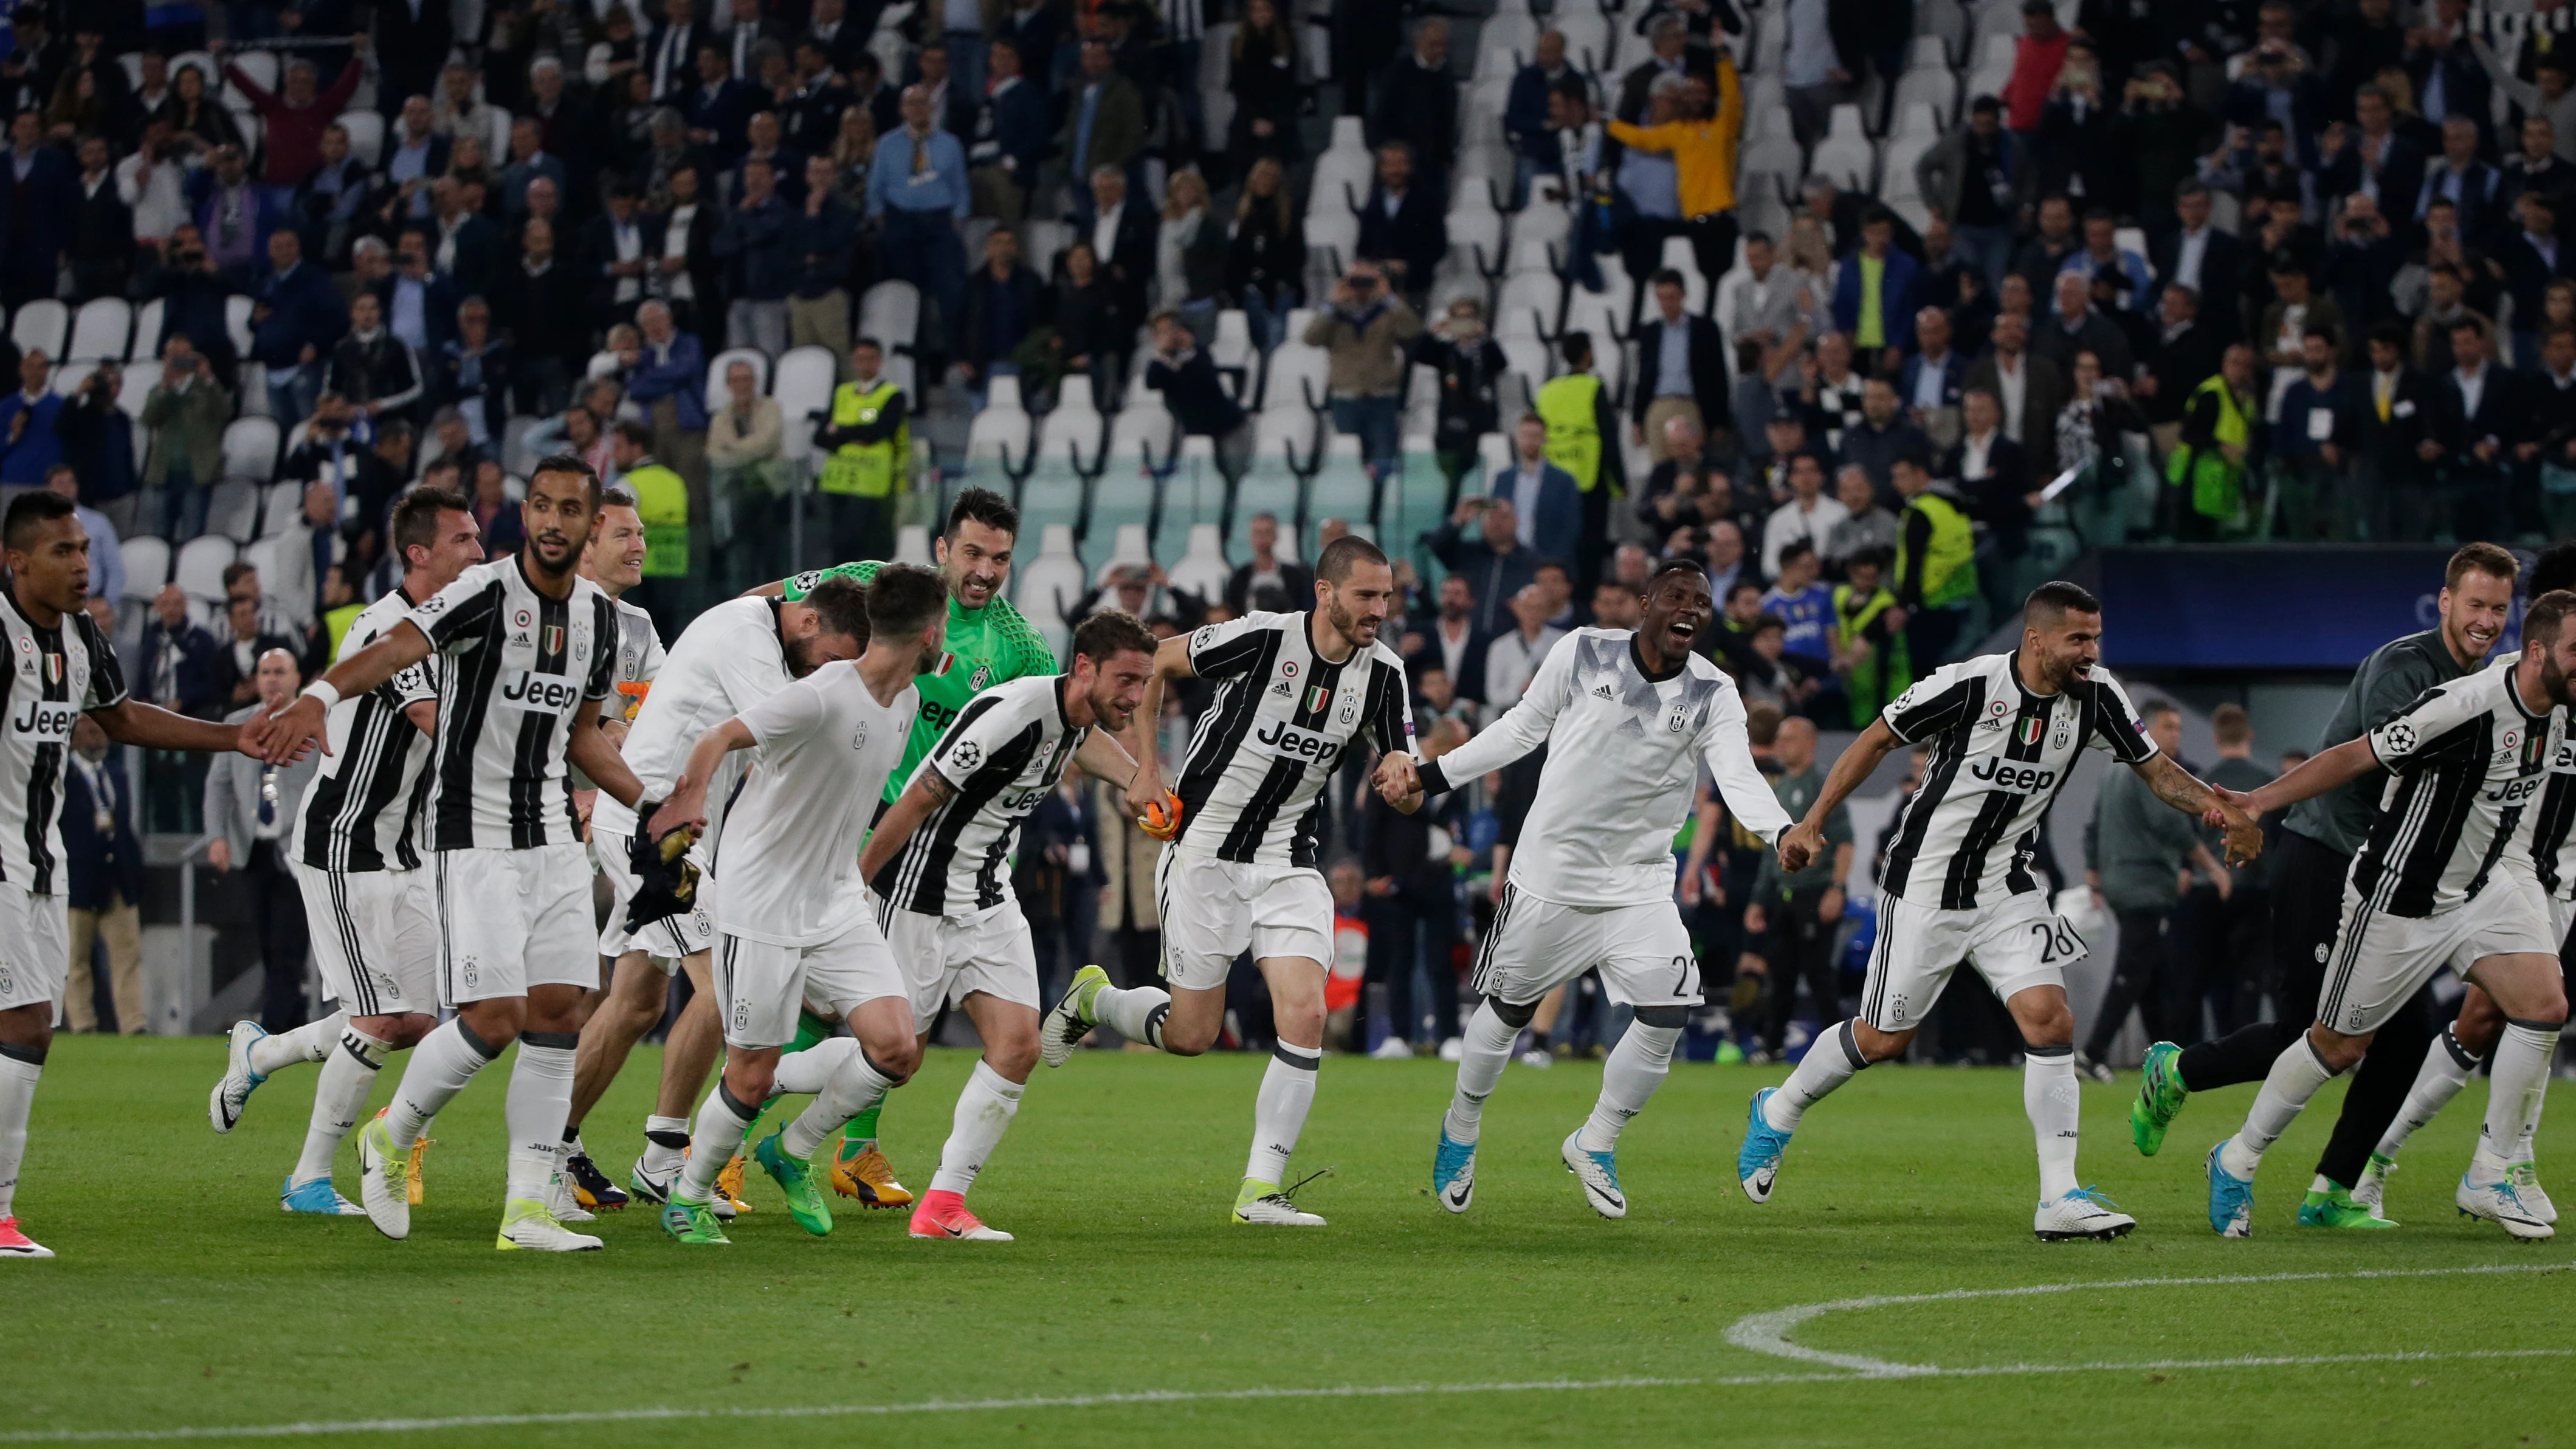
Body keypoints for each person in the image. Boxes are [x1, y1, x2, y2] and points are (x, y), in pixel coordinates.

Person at [1743, 580, 2261, 1240]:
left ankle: (2059, 1195)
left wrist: (2226, 813)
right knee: (1883, 1038)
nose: (2090, 652)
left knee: (2049, 1018)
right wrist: (1811, 821)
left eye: (2095, 638)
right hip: (1926, 883)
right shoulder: (1965, 685)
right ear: (2035, 638)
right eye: (2077, 638)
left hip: (2005, 885)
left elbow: (2157, 770)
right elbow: (1874, 738)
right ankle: (1778, 1108)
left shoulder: (2097, 695)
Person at [243, 457, 652, 1253]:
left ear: (591, 524)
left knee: (561, 1014)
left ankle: (526, 1210)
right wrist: (319, 696)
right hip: (474, 834)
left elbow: (583, 739)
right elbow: (395, 647)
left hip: (550, 839)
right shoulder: (484, 592)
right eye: (545, 506)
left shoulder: (603, 623)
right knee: (492, 1019)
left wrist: (651, 805)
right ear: (529, 514)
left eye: (576, 510)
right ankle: (390, 1137)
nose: (559, 522)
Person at [2132, 543, 2519, 1227]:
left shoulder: (2483, 678)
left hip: (2391, 876)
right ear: (2446, 600)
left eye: (2497, 607)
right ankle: (2177, 1071)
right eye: (2475, 604)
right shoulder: (2404, 666)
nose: (2486, 620)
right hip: (2326, 855)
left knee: (2404, 1039)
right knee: (2308, 1032)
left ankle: (2330, 1191)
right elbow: (2398, 761)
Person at [1388, 559, 1788, 1214]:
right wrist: (1431, 777)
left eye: (1701, 602)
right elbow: (1519, 728)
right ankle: (1461, 1125)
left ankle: (1595, 1139)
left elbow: (1737, 776)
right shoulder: (1581, 650)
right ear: (1644, 602)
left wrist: (1780, 830)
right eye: (1677, 596)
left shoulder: (1714, 691)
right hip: (1551, 875)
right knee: (1509, 1013)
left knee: (1666, 1013)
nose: (1689, 609)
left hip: (1637, 883)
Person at [1044, 535, 1420, 1226]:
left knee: (1304, 1011)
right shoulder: (1259, 637)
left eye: (1386, 596)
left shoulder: (1385, 672)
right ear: (1325, 591)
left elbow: (1400, 755)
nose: (1379, 609)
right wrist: (1146, 766)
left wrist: (1402, 780)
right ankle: (1095, 1000)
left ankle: (1259, 1189)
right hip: (1203, 850)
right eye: (1366, 595)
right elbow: (1154, 660)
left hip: (1288, 857)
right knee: (1192, 1034)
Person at [2196, 590, 2576, 1242]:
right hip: (2396, 900)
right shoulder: (2465, 705)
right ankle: (2236, 1156)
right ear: (2538, 651)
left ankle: (2492, 1169)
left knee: (2543, 1004)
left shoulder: (2559, 708)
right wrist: (2258, 800)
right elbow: (2354, 753)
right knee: (2336, 1045)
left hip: (2480, 891)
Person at [731, 490, 1059, 1201]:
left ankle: (849, 1147)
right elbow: (774, 601)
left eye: (999, 557)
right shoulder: (879, 583)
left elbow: (1058, 719)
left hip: (921, 837)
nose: (983, 570)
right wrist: (734, 643)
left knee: (881, 1008)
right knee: (831, 1003)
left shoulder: (1020, 645)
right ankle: (726, 1137)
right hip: (847, 818)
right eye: (971, 552)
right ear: (942, 548)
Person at [641, 565, 947, 1246]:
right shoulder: (821, 695)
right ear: (931, 633)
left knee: (897, 1048)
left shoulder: (903, 701)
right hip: (763, 904)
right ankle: (686, 1198)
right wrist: (690, 799)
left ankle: (790, 1149)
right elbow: (718, 735)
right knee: (750, 1072)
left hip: (834, 897)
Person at [202, 490, 480, 1214]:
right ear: (419, 554)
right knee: (376, 1018)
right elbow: (437, 724)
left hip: (403, 848)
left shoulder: (454, 629)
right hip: (342, 844)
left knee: (417, 1021)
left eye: (479, 539)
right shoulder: (391, 628)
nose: (478, 553)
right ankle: (308, 1178)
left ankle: (259, 1054)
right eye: (463, 541)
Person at [0, 490, 257, 1260]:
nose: (83, 565)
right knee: (26, 1023)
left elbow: (123, 718)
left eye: (83, 549)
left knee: (27, 1030)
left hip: (45, 860)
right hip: (2, 857)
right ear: (16, 562)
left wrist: (233, 737)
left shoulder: (80, 636)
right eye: (62, 552)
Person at [570, 573, 867, 1215]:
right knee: (725, 988)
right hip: (654, 830)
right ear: (809, 623)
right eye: (834, 662)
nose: (832, 677)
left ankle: (556, 1146)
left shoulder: (762, 627)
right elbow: (794, 739)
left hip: (680, 830)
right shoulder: (745, 636)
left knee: (635, 1004)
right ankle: (664, 1158)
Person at [855, 612, 1159, 1241]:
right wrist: (853, 883)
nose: (1134, 695)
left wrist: (1139, 777)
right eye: (1125, 680)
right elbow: (916, 795)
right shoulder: (1011, 710)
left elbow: (1087, 743)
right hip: (918, 892)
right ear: (1083, 669)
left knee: (1019, 1045)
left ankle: (942, 1204)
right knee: (894, 1058)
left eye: (1143, 682)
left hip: (988, 898)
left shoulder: (1077, 717)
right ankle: (754, 1108)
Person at [2077, 698, 2233, 1081]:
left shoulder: (2116, 769)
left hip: (2123, 880)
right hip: (2143, 883)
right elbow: (2170, 825)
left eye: (2179, 727)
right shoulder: (2150, 770)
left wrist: (2095, 872)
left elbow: (2093, 825)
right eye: (2168, 726)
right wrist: (2212, 866)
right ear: (2145, 729)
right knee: (2133, 969)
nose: (2176, 734)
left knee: (2151, 972)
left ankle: (2165, 1058)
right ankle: (2093, 1053)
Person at [1746, 715, 1851, 1064]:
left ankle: (1842, 1048)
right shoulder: (1779, 788)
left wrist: (1836, 888)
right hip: (1784, 894)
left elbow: (1845, 842)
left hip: (1815, 891)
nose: (1781, 745)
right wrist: (1759, 900)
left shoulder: (1822, 785)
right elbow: (1769, 852)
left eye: (1789, 739)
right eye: (1779, 739)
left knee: (1818, 972)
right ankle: (1772, 1044)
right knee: (1781, 972)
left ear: (1810, 743)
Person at [61, 717, 143, 1036]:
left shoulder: (117, 773)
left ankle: (134, 1023)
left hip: (118, 879)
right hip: (77, 880)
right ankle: (82, 1023)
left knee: (127, 956)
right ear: (74, 735)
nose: (99, 738)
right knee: (75, 959)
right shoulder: (63, 777)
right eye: (91, 731)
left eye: (101, 731)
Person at [1304, 262, 1419, 481]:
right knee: (1349, 458)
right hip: (1346, 394)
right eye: (1356, 281)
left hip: (1382, 394)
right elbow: (1310, 339)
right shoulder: (1335, 314)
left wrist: (1389, 297)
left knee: (1383, 458)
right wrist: (1332, 303)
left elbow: (1412, 330)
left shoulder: (1386, 311)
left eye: (1368, 281)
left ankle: (1379, 503)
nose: (1362, 286)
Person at [812, 337, 907, 565]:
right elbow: (820, 437)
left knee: (866, 547)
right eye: (860, 359)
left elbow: (878, 431)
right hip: (837, 480)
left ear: (879, 362)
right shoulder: (842, 393)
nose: (865, 364)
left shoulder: (893, 395)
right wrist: (856, 434)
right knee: (838, 547)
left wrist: (841, 432)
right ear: (854, 361)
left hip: (871, 481)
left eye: (870, 359)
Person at [1631, 268, 1731, 463]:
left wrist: (1720, 420)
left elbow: (1718, 375)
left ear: (1683, 295)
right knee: (1660, 467)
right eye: (1661, 298)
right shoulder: (1650, 332)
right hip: (1658, 405)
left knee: (1691, 464)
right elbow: (1643, 377)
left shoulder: (1705, 329)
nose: (1666, 304)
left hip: (1690, 405)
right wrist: (1637, 419)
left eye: (1671, 297)